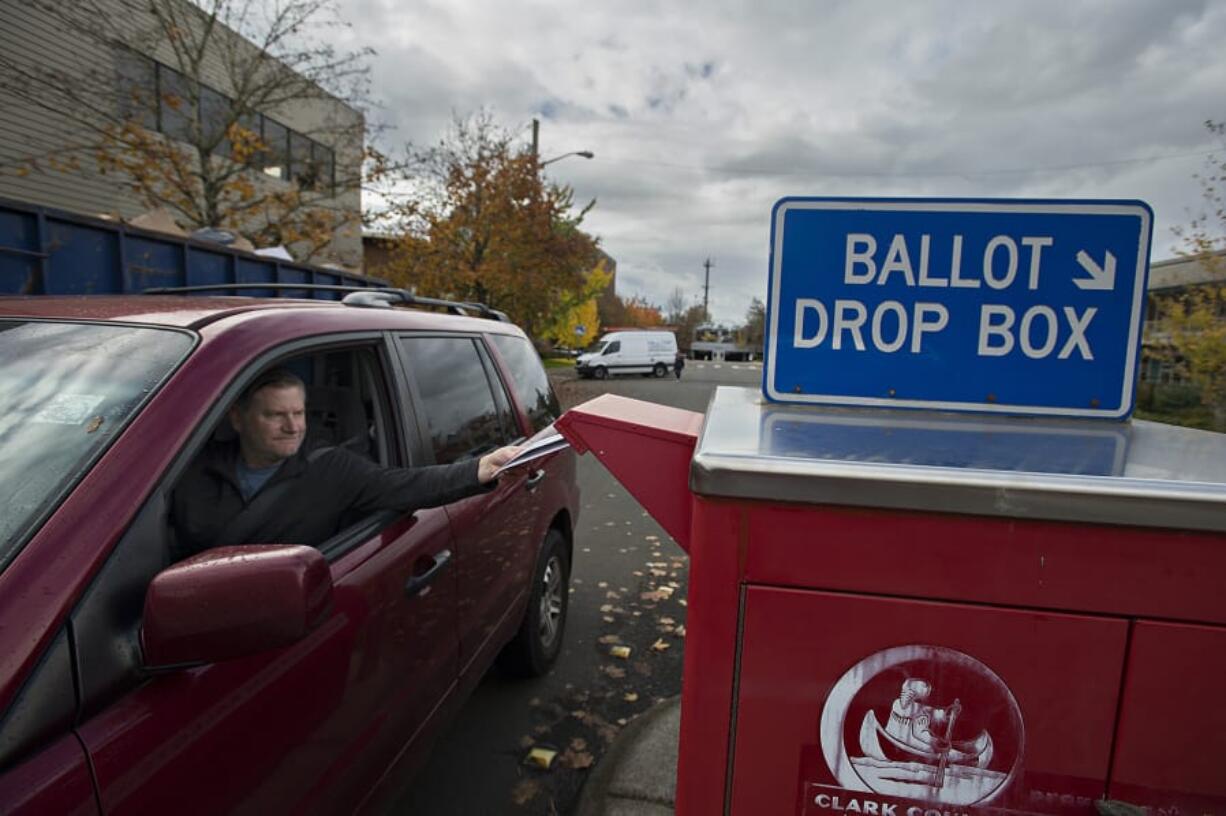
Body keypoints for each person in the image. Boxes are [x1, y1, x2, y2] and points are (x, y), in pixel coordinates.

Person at [170, 368, 520, 560]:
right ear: (237, 419)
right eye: (275, 415)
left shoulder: (331, 468)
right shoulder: (194, 469)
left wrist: (480, 468)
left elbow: (404, 484)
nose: (293, 427)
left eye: (298, 413)